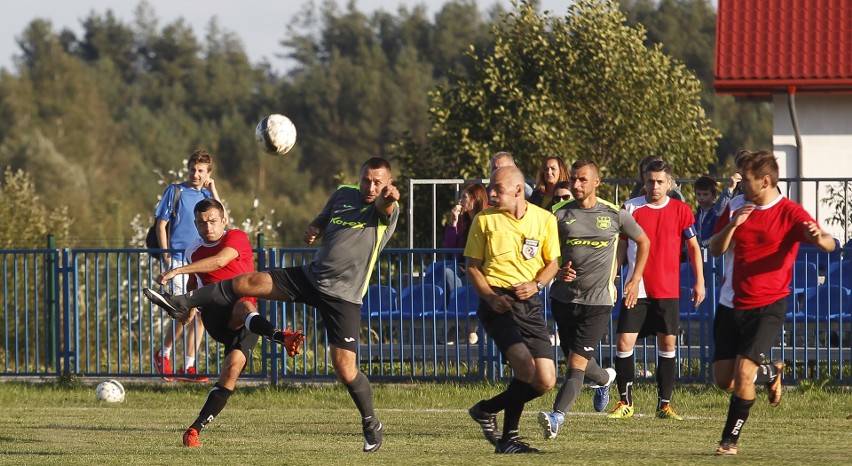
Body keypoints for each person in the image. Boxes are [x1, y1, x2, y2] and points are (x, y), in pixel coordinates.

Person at [144, 157, 400, 453]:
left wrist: (389, 200)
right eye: (366, 179)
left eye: (378, 182)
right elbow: (324, 215)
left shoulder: (385, 209)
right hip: (311, 276)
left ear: (388, 184)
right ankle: (182, 303)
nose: (371, 186)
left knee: (345, 368)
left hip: (344, 296)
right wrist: (314, 227)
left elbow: (386, 208)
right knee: (247, 282)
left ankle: (371, 423)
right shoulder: (344, 193)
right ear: (359, 176)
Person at [708, 150, 835, 456]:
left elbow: (828, 242)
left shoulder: (790, 212)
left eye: (747, 179)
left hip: (768, 306)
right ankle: (770, 373)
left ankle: (729, 441)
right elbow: (714, 249)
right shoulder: (738, 205)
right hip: (730, 303)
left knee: (742, 373)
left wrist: (820, 239)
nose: (741, 182)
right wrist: (733, 225)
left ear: (765, 181)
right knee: (723, 379)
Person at [154, 198, 305, 447]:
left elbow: (221, 261)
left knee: (231, 370)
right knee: (242, 304)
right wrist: (188, 311)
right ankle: (281, 336)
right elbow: (195, 284)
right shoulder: (193, 250)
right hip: (216, 315)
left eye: (213, 221)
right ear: (195, 224)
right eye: (202, 223)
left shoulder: (236, 237)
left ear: (223, 220)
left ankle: (194, 430)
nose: (208, 227)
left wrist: (177, 271)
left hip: (247, 322)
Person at [537, 159, 650, 440]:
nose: (576, 184)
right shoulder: (558, 214)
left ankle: (556, 416)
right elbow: (545, 252)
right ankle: (605, 379)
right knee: (577, 361)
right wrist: (557, 270)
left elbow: (644, 241)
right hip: (564, 299)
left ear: (597, 182)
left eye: (582, 180)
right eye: (573, 179)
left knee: (575, 363)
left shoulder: (615, 214)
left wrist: (635, 277)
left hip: (598, 302)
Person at [465, 166, 560, 454]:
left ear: (519, 190)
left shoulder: (544, 219)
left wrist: (537, 284)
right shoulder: (484, 220)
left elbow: (552, 262)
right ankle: (509, 440)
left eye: (498, 189)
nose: (491, 194)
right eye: (491, 187)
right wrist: (490, 297)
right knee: (524, 366)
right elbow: (471, 266)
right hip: (498, 303)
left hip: (529, 303)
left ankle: (486, 409)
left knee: (545, 380)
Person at [609, 159, 705, 421]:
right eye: (650, 181)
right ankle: (625, 402)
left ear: (669, 183)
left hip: (666, 288)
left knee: (667, 343)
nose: (654, 186)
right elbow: (620, 247)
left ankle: (664, 404)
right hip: (635, 287)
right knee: (624, 342)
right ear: (643, 181)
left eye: (660, 181)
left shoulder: (681, 210)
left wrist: (700, 281)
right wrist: (614, 276)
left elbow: (694, 247)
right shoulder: (630, 208)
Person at [153, 149, 221, 382]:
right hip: (179, 260)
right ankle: (163, 354)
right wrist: (166, 257)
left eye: (201, 170)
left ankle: (189, 367)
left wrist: (213, 191)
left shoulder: (206, 195)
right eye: (193, 169)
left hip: (200, 260)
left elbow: (223, 221)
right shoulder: (176, 191)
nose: (195, 174)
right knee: (185, 312)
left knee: (200, 314)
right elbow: (161, 225)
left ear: (208, 173)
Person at [443, 183, 488, 344]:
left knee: (470, 276)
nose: (460, 200)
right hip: (463, 266)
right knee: (446, 272)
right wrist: (454, 223)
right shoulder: (463, 221)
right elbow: (449, 249)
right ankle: (462, 323)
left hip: (480, 267)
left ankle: (465, 327)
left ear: (475, 200)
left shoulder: (484, 219)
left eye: (464, 197)